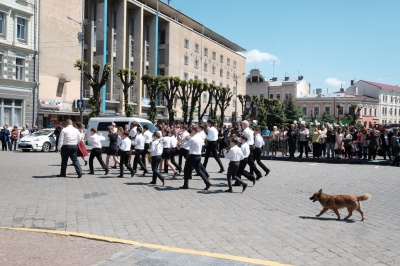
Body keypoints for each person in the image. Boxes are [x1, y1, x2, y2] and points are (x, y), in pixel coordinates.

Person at [180, 125, 211, 190]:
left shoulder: (192, 138)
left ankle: (186, 185)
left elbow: (185, 146)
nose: (191, 132)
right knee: (199, 170)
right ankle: (207, 182)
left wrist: (186, 140)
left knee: (186, 169)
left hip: (192, 156)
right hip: (198, 156)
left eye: (192, 130)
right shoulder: (200, 138)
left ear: (194, 131)